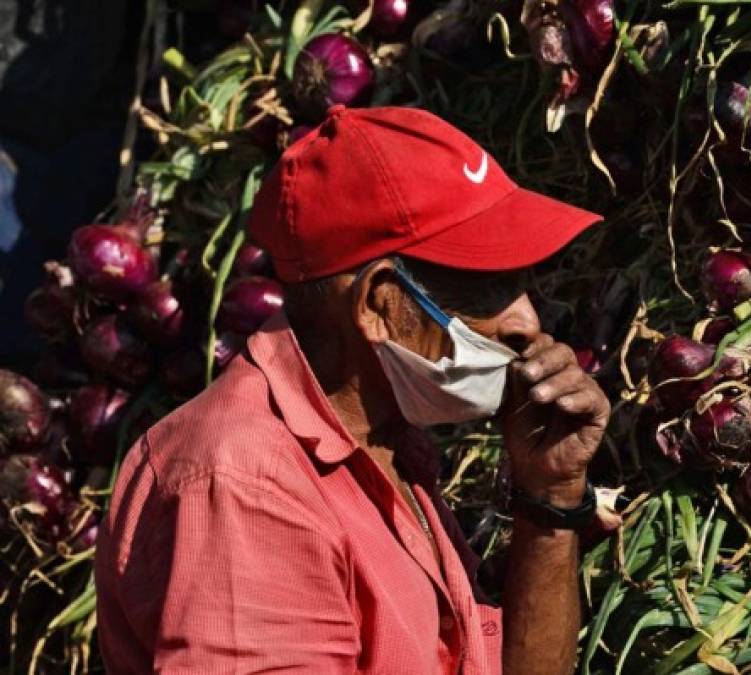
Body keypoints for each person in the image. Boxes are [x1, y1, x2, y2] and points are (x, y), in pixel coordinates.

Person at [95, 104, 610, 674]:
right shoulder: (245, 484)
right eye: (488, 287)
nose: (527, 321)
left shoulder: (387, 445)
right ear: (377, 305)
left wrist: (551, 496)